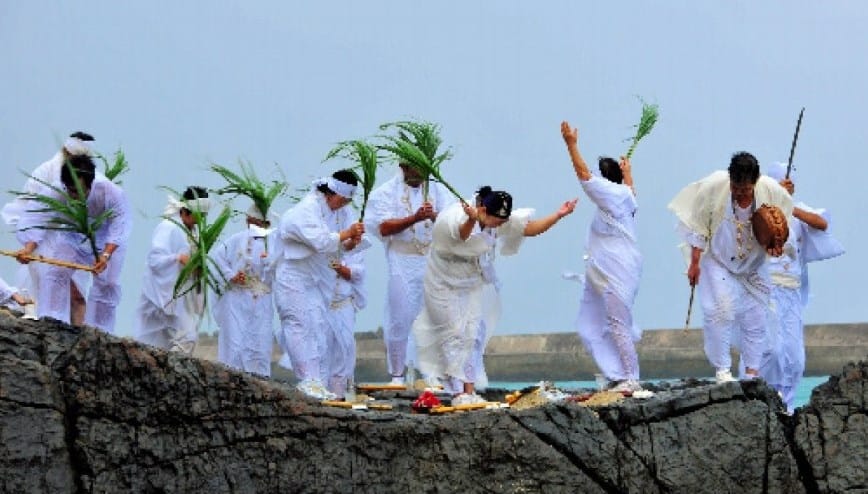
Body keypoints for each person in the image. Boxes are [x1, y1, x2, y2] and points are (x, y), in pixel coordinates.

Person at [412, 186, 577, 404]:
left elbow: (528, 229)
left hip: (471, 281)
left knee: (473, 333)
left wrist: (558, 215)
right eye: (497, 221)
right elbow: (460, 237)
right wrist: (472, 220)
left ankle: (468, 390)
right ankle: (456, 392)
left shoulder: (496, 219)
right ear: (483, 209)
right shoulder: (454, 216)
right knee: (453, 334)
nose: (500, 226)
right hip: (443, 282)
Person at [668, 152, 792, 383]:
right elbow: (699, 227)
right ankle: (722, 370)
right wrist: (694, 264)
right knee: (721, 310)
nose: (739, 193)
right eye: (736, 187)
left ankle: (752, 373)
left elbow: (783, 226)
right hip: (718, 258)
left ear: (755, 182)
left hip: (754, 262)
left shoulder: (771, 190)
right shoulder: (714, 187)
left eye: (745, 189)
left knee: (756, 316)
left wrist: (777, 245)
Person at [560, 121, 645, 393]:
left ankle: (631, 376)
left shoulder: (612, 195)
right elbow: (630, 189)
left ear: (605, 181)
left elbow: (584, 176)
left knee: (617, 324)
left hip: (616, 273)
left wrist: (571, 145)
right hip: (606, 272)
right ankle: (616, 373)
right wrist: (629, 173)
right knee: (595, 325)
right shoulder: (625, 195)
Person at [754, 162, 843, 413]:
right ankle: (759, 402)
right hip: (766, 291)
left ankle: (788, 406)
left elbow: (822, 224)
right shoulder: (759, 211)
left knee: (795, 357)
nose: (789, 184)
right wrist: (776, 203)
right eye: (782, 181)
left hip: (792, 293)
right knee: (771, 350)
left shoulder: (796, 210)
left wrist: (789, 205)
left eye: (790, 181)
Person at [273, 170, 365, 400]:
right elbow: (322, 241)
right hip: (293, 277)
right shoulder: (306, 209)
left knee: (317, 328)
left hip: (314, 280)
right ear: (332, 193)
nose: (343, 206)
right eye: (342, 200)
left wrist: (351, 242)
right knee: (299, 325)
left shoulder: (333, 212)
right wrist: (348, 232)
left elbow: (337, 247)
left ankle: (317, 382)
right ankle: (308, 380)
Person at [14, 153, 132, 333]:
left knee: (107, 283)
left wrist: (106, 255)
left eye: (78, 191)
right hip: (74, 234)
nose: (73, 195)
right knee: (57, 273)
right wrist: (28, 249)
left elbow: (119, 226)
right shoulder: (58, 190)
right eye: (70, 190)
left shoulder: (110, 191)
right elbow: (39, 217)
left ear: (90, 184)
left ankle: (100, 331)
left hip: (106, 238)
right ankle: (52, 321)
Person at [364, 163, 454, 384]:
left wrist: (434, 216)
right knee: (400, 318)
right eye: (415, 167)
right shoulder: (385, 193)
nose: (420, 173)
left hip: (434, 262)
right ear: (404, 167)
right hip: (402, 262)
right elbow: (382, 228)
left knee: (435, 317)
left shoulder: (439, 191)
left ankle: (432, 373)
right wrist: (413, 218)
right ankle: (397, 374)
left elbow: (454, 225)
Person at [2, 132, 97, 325]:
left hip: (71, 240)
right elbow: (34, 212)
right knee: (53, 289)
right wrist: (30, 246)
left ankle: (78, 335)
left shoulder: (86, 178)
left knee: (77, 294)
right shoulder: (45, 172)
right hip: (42, 239)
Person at [134, 186, 211, 354]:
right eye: (199, 216)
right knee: (172, 339)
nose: (201, 220)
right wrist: (177, 259)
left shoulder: (195, 232)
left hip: (184, 294)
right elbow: (155, 259)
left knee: (182, 338)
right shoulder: (169, 227)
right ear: (186, 212)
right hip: (163, 293)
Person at [211, 204, 277, 377]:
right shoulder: (236, 240)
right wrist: (231, 275)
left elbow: (281, 270)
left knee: (260, 346)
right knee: (235, 346)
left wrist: (269, 262)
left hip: (261, 300)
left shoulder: (274, 243)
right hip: (237, 300)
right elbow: (218, 260)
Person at [320, 246, 366, 400]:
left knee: (344, 348)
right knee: (321, 349)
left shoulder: (356, 250)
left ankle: (340, 395)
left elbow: (357, 274)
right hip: (323, 305)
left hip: (344, 304)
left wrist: (338, 267)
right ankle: (320, 393)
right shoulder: (321, 242)